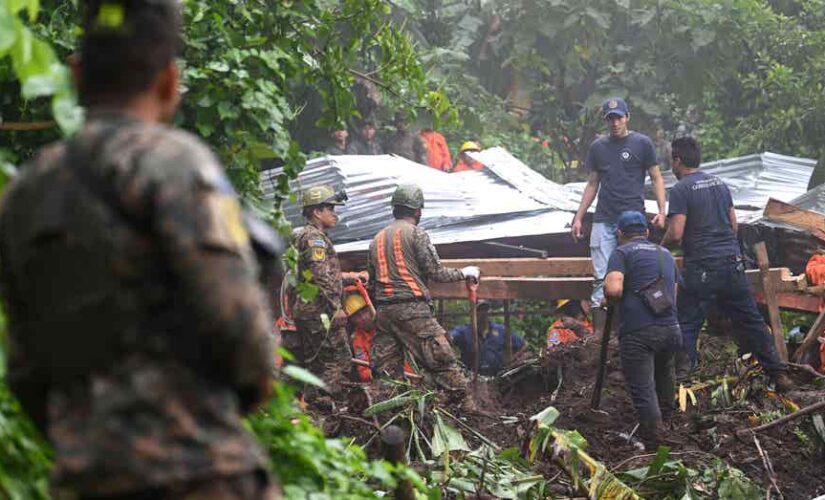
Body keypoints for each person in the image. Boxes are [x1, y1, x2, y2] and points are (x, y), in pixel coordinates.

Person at [0, 1, 280, 497]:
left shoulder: (25, 193)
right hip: (201, 474)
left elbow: (24, 368)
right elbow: (243, 336)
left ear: (77, 74)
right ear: (170, 81)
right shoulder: (175, 166)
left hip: (87, 478)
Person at [661, 137, 793, 391]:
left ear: (677, 160)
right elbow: (734, 224)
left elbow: (676, 232)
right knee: (751, 321)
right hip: (732, 265)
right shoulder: (720, 184)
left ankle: (681, 382)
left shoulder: (680, 190)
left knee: (688, 323)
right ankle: (780, 375)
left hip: (702, 268)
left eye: (672, 162)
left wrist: (660, 247)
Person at [367, 184, 481, 408]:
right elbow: (434, 272)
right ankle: (470, 412)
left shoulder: (376, 239)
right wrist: (464, 273)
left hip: (384, 312)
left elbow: (373, 282)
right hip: (413, 310)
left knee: (387, 375)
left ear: (395, 209)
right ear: (418, 210)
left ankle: (393, 419)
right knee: (444, 361)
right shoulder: (416, 234)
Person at [570, 98, 667, 332]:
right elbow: (592, 183)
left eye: (618, 117)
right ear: (606, 120)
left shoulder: (642, 143)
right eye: (610, 118)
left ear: (627, 117)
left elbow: (656, 177)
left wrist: (663, 210)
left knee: (636, 273)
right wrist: (579, 216)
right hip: (604, 217)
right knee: (601, 277)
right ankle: (601, 337)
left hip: (633, 219)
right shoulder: (598, 147)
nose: (615, 122)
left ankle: (637, 329)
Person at [604, 211, 681, 451]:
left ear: (620, 234)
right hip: (670, 328)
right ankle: (671, 426)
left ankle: (656, 442)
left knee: (643, 387)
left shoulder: (621, 252)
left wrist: (609, 299)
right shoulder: (666, 254)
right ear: (647, 233)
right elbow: (674, 293)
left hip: (639, 331)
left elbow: (614, 289)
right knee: (664, 377)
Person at [292, 185, 352, 394]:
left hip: (309, 312)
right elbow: (320, 274)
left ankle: (314, 412)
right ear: (317, 212)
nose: (335, 215)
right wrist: (336, 307)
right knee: (338, 363)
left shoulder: (307, 235)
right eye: (331, 209)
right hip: (321, 313)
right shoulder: (314, 238)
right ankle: (329, 410)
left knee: (315, 366)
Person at [449, 300, 527, 376]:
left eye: (486, 309)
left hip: (498, 377)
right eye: (480, 310)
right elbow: (450, 338)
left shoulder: (500, 330)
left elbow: (524, 345)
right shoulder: (464, 331)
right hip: (472, 378)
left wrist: (510, 362)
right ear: (472, 313)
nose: (484, 313)